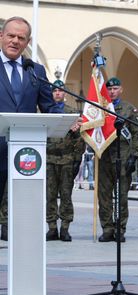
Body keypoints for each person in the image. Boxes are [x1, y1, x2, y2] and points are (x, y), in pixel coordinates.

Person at [0, 16, 63, 241]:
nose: (15, 41)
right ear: (1, 36)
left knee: (22, 213)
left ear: (27, 42)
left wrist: (66, 119)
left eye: (21, 38)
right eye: (11, 35)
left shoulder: (34, 70)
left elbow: (48, 106)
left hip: (25, 153)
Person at [98, 77, 138, 242]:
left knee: (122, 196)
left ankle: (120, 229)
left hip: (123, 157)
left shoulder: (129, 109)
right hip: (104, 156)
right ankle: (107, 228)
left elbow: (137, 133)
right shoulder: (100, 108)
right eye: (109, 89)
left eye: (115, 88)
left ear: (121, 90)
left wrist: (134, 155)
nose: (112, 92)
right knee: (104, 196)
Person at [46, 80, 85, 242]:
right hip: (49, 159)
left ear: (65, 93)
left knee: (66, 195)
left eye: (60, 91)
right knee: (50, 195)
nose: (57, 93)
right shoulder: (45, 112)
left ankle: (65, 228)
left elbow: (79, 138)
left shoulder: (73, 113)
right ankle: (52, 228)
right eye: (54, 91)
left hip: (67, 160)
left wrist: (77, 158)